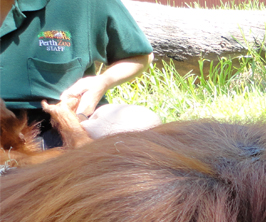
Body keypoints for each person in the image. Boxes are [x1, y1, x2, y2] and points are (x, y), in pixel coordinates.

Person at [0, 0, 159, 148]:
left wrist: (103, 82)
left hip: (65, 125)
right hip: (6, 129)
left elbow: (141, 55)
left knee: (140, 122)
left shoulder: (86, 4)